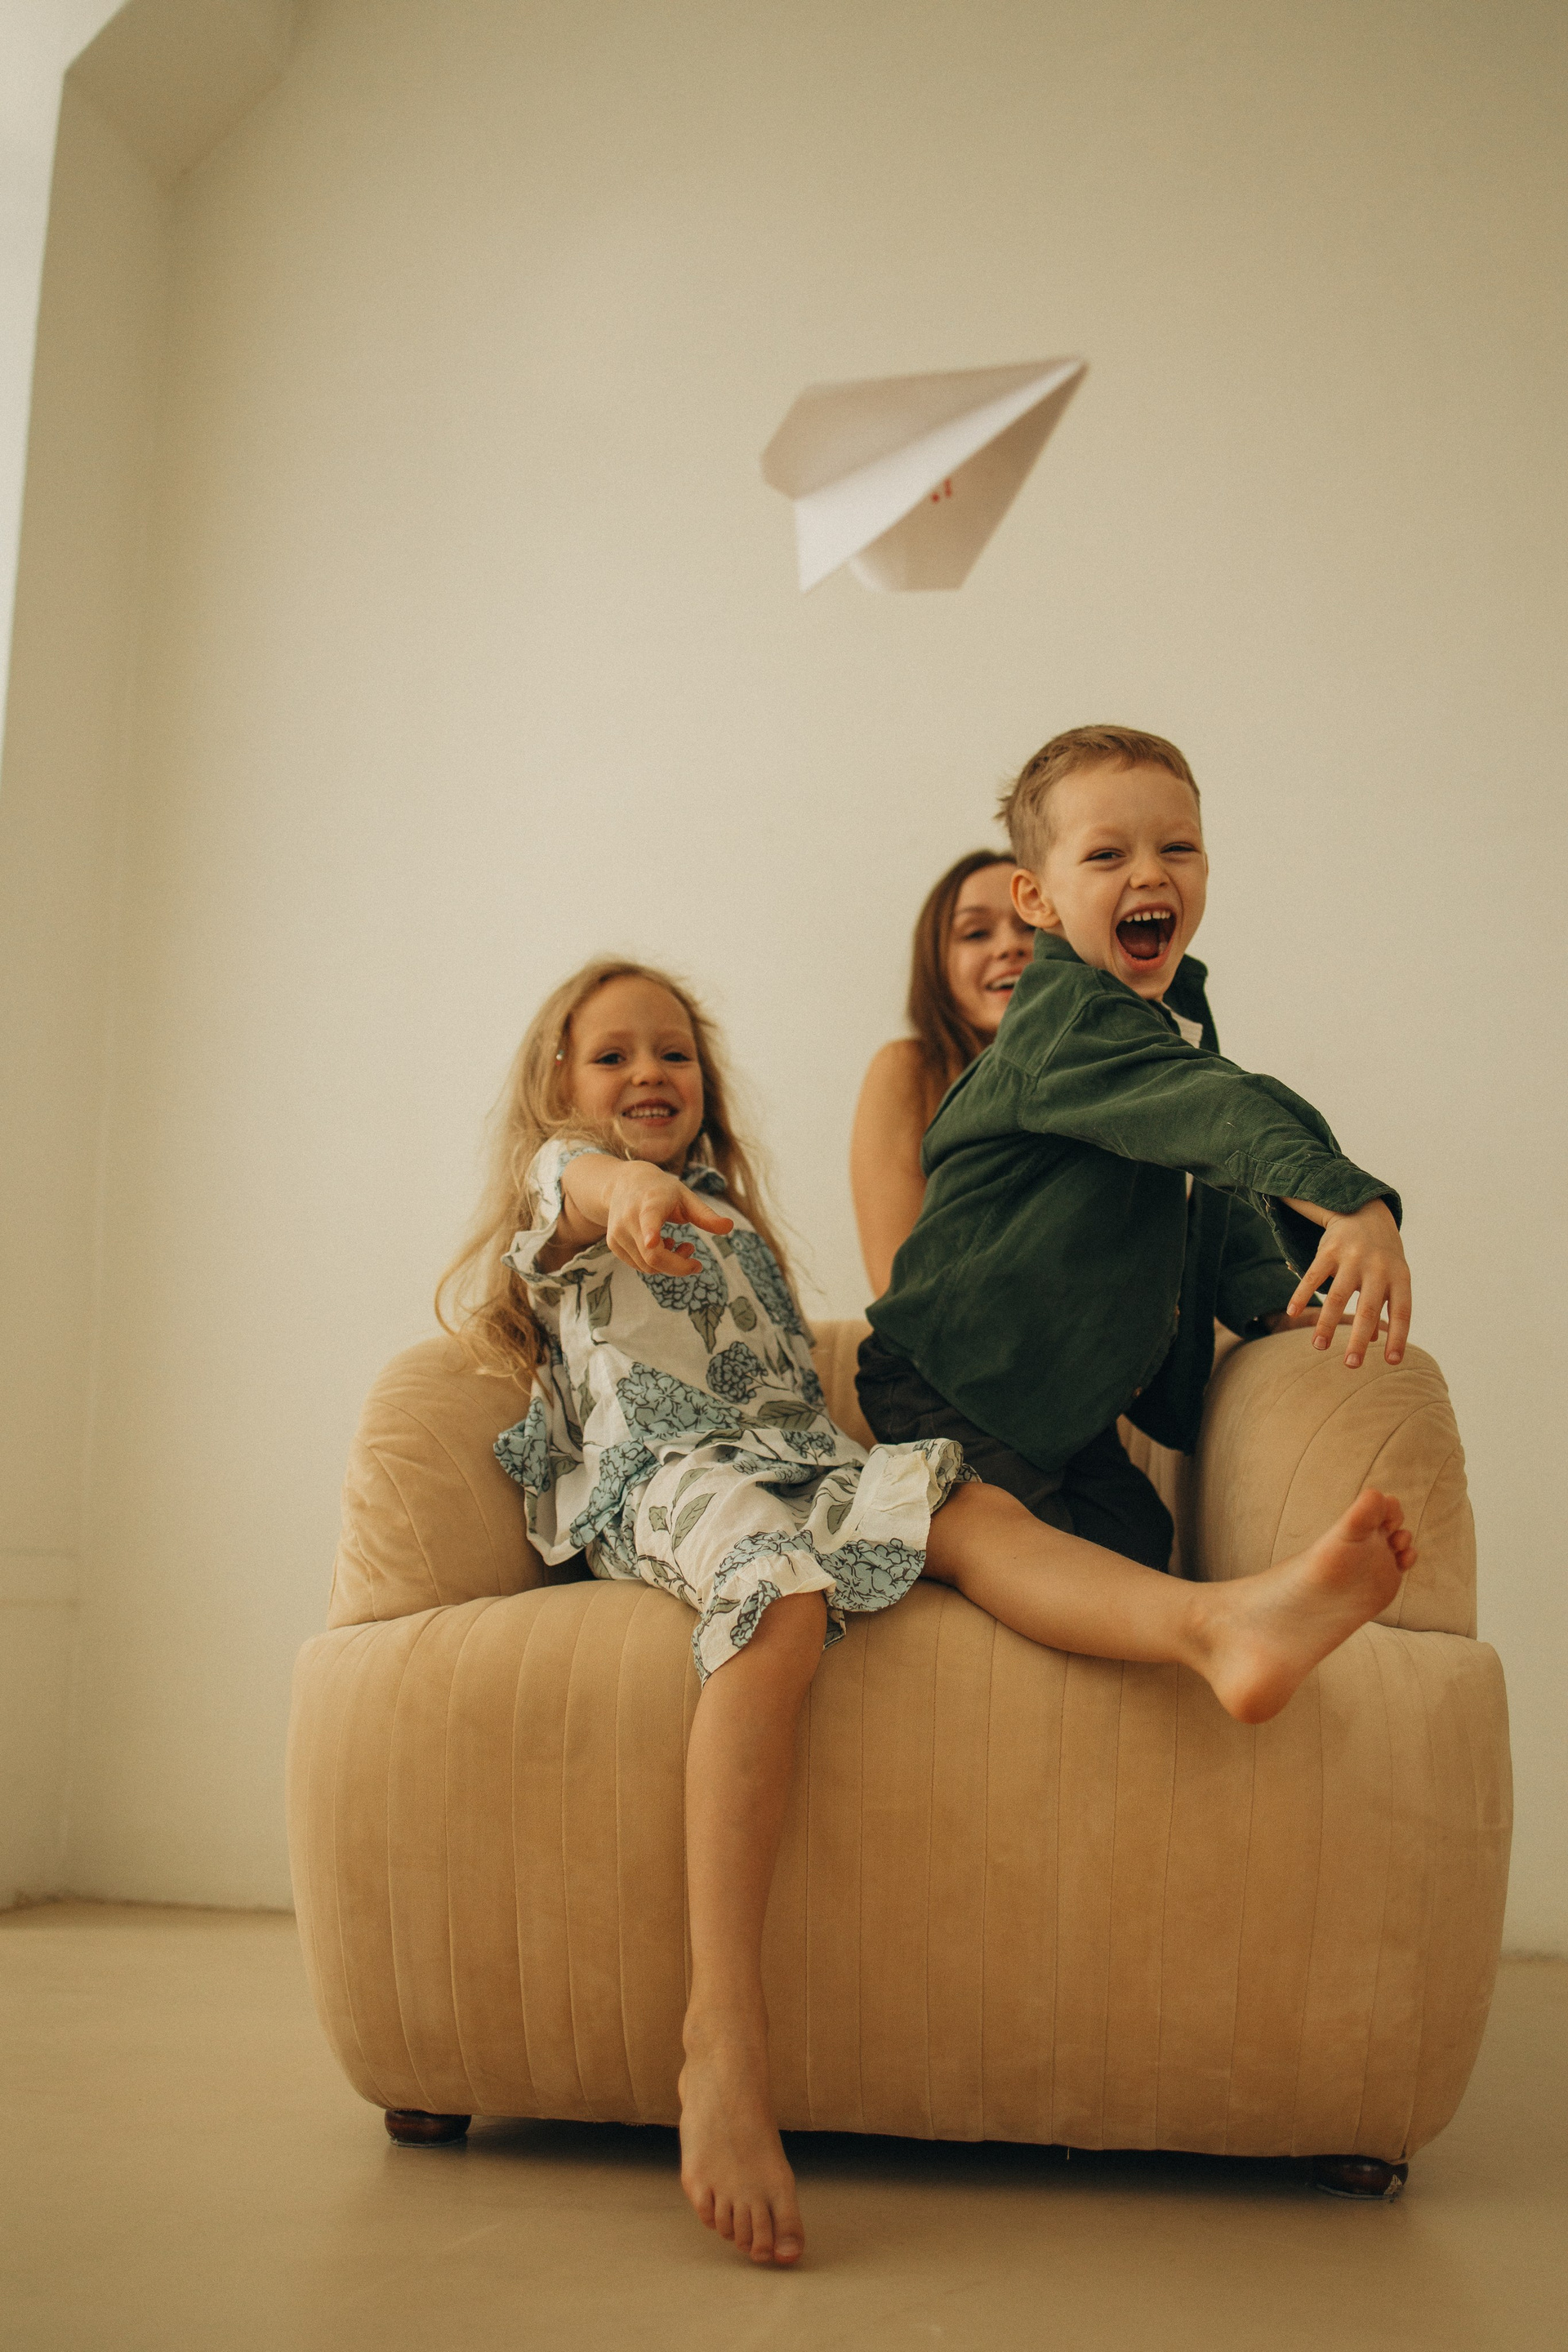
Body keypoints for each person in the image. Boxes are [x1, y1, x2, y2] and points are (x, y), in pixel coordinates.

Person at [440, 953, 1416, 2271]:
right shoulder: (562, 1188)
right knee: (780, 1596)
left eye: (673, 1053)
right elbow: (590, 1188)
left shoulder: (726, 1213)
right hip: (660, 1477)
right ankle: (721, 2041)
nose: (649, 1074)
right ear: (560, 1083)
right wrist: (626, 1191)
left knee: (968, 1505)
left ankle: (1219, 1629)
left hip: (793, 1463)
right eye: (613, 1056)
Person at [858, 724, 1414, 1578]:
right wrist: (1347, 1199)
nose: (1150, 874)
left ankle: (1197, 1620)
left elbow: (1209, 1188)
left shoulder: (1168, 1010)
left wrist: (1271, 1299)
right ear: (1038, 900)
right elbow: (1216, 1110)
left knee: (1140, 1542)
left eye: (1177, 848)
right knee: (1051, 1567)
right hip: (949, 1385)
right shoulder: (1067, 1022)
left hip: (1057, 1399)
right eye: (1108, 855)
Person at [850, 849, 1034, 1299]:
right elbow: (899, 1286)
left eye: (1031, 925)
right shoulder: (908, 1071)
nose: (1009, 946)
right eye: (976, 933)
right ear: (936, 962)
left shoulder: (1115, 1068)